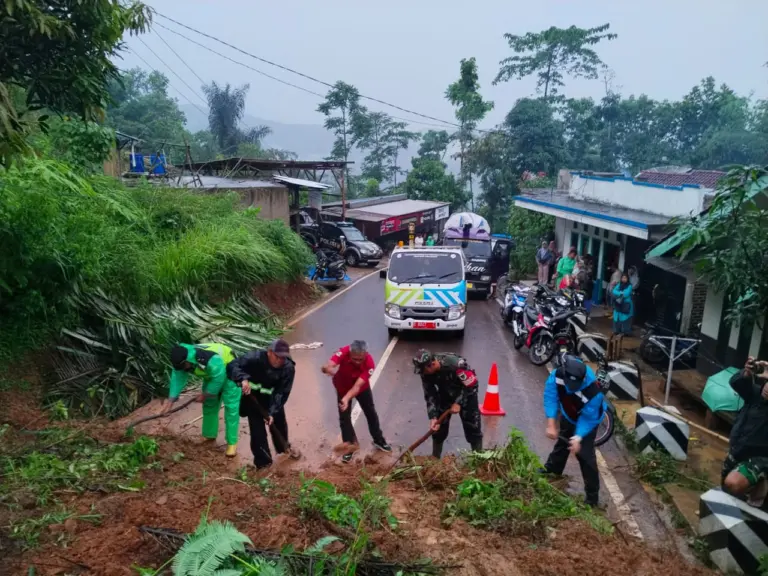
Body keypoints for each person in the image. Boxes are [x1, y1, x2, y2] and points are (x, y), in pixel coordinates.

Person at [542, 354, 605, 507]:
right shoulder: (558, 374)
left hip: (588, 420)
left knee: (585, 455)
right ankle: (553, 469)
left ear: (583, 380)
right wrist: (551, 422)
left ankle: (592, 498)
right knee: (563, 441)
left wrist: (578, 436)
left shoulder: (593, 391)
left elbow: (588, 418)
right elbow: (551, 396)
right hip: (568, 413)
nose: (570, 387)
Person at [226, 338, 296, 469]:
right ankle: (264, 463)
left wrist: (272, 412)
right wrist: (243, 379)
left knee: (279, 425)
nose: (280, 360)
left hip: (273, 400)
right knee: (257, 432)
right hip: (253, 399)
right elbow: (231, 366)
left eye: (283, 358)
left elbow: (282, 392)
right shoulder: (253, 358)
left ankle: (284, 450)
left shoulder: (288, 368)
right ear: (269, 352)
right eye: (277, 357)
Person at [321, 340, 391, 463]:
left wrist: (347, 398)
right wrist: (328, 368)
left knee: (371, 413)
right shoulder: (343, 351)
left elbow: (357, 387)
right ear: (350, 353)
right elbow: (331, 363)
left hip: (361, 388)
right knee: (344, 417)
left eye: (360, 359)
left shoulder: (369, 364)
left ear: (365, 354)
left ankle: (379, 440)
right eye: (355, 359)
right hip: (342, 387)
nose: (358, 362)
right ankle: (350, 446)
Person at [165, 343, 241, 457]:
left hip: (230, 372)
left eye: (183, 367)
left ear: (187, 361)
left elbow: (219, 378)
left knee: (231, 408)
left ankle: (232, 443)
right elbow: (177, 379)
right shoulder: (181, 359)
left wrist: (205, 394)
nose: (183, 370)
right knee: (209, 405)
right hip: (212, 376)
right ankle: (209, 435)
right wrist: (170, 402)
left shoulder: (208, 358)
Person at [412, 349, 482, 458]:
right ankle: (435, 459)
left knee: (473, 429)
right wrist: (433, 416)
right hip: (445, 396)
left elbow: (472, 384)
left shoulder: (456, 364)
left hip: (467, 396)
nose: (422, 373)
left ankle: (479, 459)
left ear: (432, 365)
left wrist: (458, 403)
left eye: (423, 370)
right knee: (438, 430)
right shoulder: (425, 373)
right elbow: (430, 395)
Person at [721, 357, 768, 502]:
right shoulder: (754, 395)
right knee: (725, 487)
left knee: (733, 483)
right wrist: (748, 372)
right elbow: (736, 382)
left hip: (762, 458)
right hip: (738, 450)